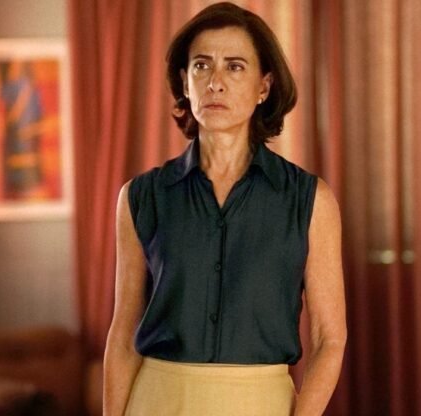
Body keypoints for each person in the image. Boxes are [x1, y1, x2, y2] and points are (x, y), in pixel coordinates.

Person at [103, 2, 346, 415]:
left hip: (262, 403)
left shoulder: (310, 201)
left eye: (234, 67)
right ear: (185, 82)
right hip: (157, 401)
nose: (215, 82)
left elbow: (329, 340)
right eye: (202, 66)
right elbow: (123, 336)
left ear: (263, 86)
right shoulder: (141, 197)